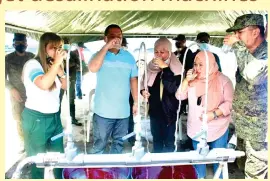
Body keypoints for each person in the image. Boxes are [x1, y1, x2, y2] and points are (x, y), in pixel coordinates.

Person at [176, 51, 234, 179]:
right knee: (198, 160)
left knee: (219, 161)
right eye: (195, 64)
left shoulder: (224, 80)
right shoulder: (192, 80)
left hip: (218, 127)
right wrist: (186, 80)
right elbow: (179, 95)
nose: (197, 68)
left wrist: (213, 114)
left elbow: (229, 104)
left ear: (211, 64)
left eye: (201, 65)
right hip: (196, 127)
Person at [224, 13, 268, 179]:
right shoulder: (250, 54)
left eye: (239, 32)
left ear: (255, 32)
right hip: (244, 127)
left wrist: (238, 46)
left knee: (255, 174)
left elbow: (253, 76)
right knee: (243, 167)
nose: (236, 37)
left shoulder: (266, 54)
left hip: (259, 132)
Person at [21, 32, 67, 178]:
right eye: (53, 48)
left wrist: (61, 72)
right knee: (38, 160)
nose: (57, 51)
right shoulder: (32, 65)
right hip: (37, 119)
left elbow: (65, 86)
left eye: (59, 47)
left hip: (54, 118)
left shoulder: (53, 64)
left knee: (59, 157)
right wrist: (57, 64)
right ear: (43, 48)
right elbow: (44, 84)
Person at [88, 24, 138, 154]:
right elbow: (93, 68)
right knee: (100, 145)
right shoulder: (98, 55)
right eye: (112, 37)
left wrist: (136, 102)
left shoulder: (129, 57)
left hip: (123, 112)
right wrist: (106, 47)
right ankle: (98, 172)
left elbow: (133, 80)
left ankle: (114, 171)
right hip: (102, 112)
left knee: (118, 144)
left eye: (119, 36)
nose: (116, 39)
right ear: (105, 38)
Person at [141, 37, 183, 153]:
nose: (159, 55)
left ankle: (168, 167)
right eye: (156, 52)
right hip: (155, 109)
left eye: (162, 52)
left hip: (170, 111)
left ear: (169, 52)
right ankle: (158, 167)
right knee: (157, 139)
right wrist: (143, 91)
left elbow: (172, 88)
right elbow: (143, 83)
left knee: (169, 141)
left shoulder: (177, 68)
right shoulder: (151, 67)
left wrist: (165, 67)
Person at [5, 33, 35, 153]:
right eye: (17, 43)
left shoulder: (32, 57)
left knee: (33, 117)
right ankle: (23, 142)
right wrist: (12, 89)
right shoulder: (7, 59)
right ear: (13, 44)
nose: (20, 45)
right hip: (16, 94)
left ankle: (33, 140)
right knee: (19, 119)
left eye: (23, 42)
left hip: (32, 94)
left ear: (26, 44)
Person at [60, 37, 82, 126]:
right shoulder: (59, 54)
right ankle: (57, 120)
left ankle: (73, 118)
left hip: (71, 80)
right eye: (64, 43)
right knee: (58, 100)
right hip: (60, 82)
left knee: (71, 100)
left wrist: (69, 64)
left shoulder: (73, 53)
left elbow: (78, 65)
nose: (66, 45)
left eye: (67, 43)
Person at [173, 34, 194, 116]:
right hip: (175, 81)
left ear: (184, 41)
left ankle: (182, 112)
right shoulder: (174, 53)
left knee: (181, 101)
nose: (177, 43)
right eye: (176, 41)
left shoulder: (188, 52)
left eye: (179, 41)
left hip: (184, 80)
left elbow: (189, 67)